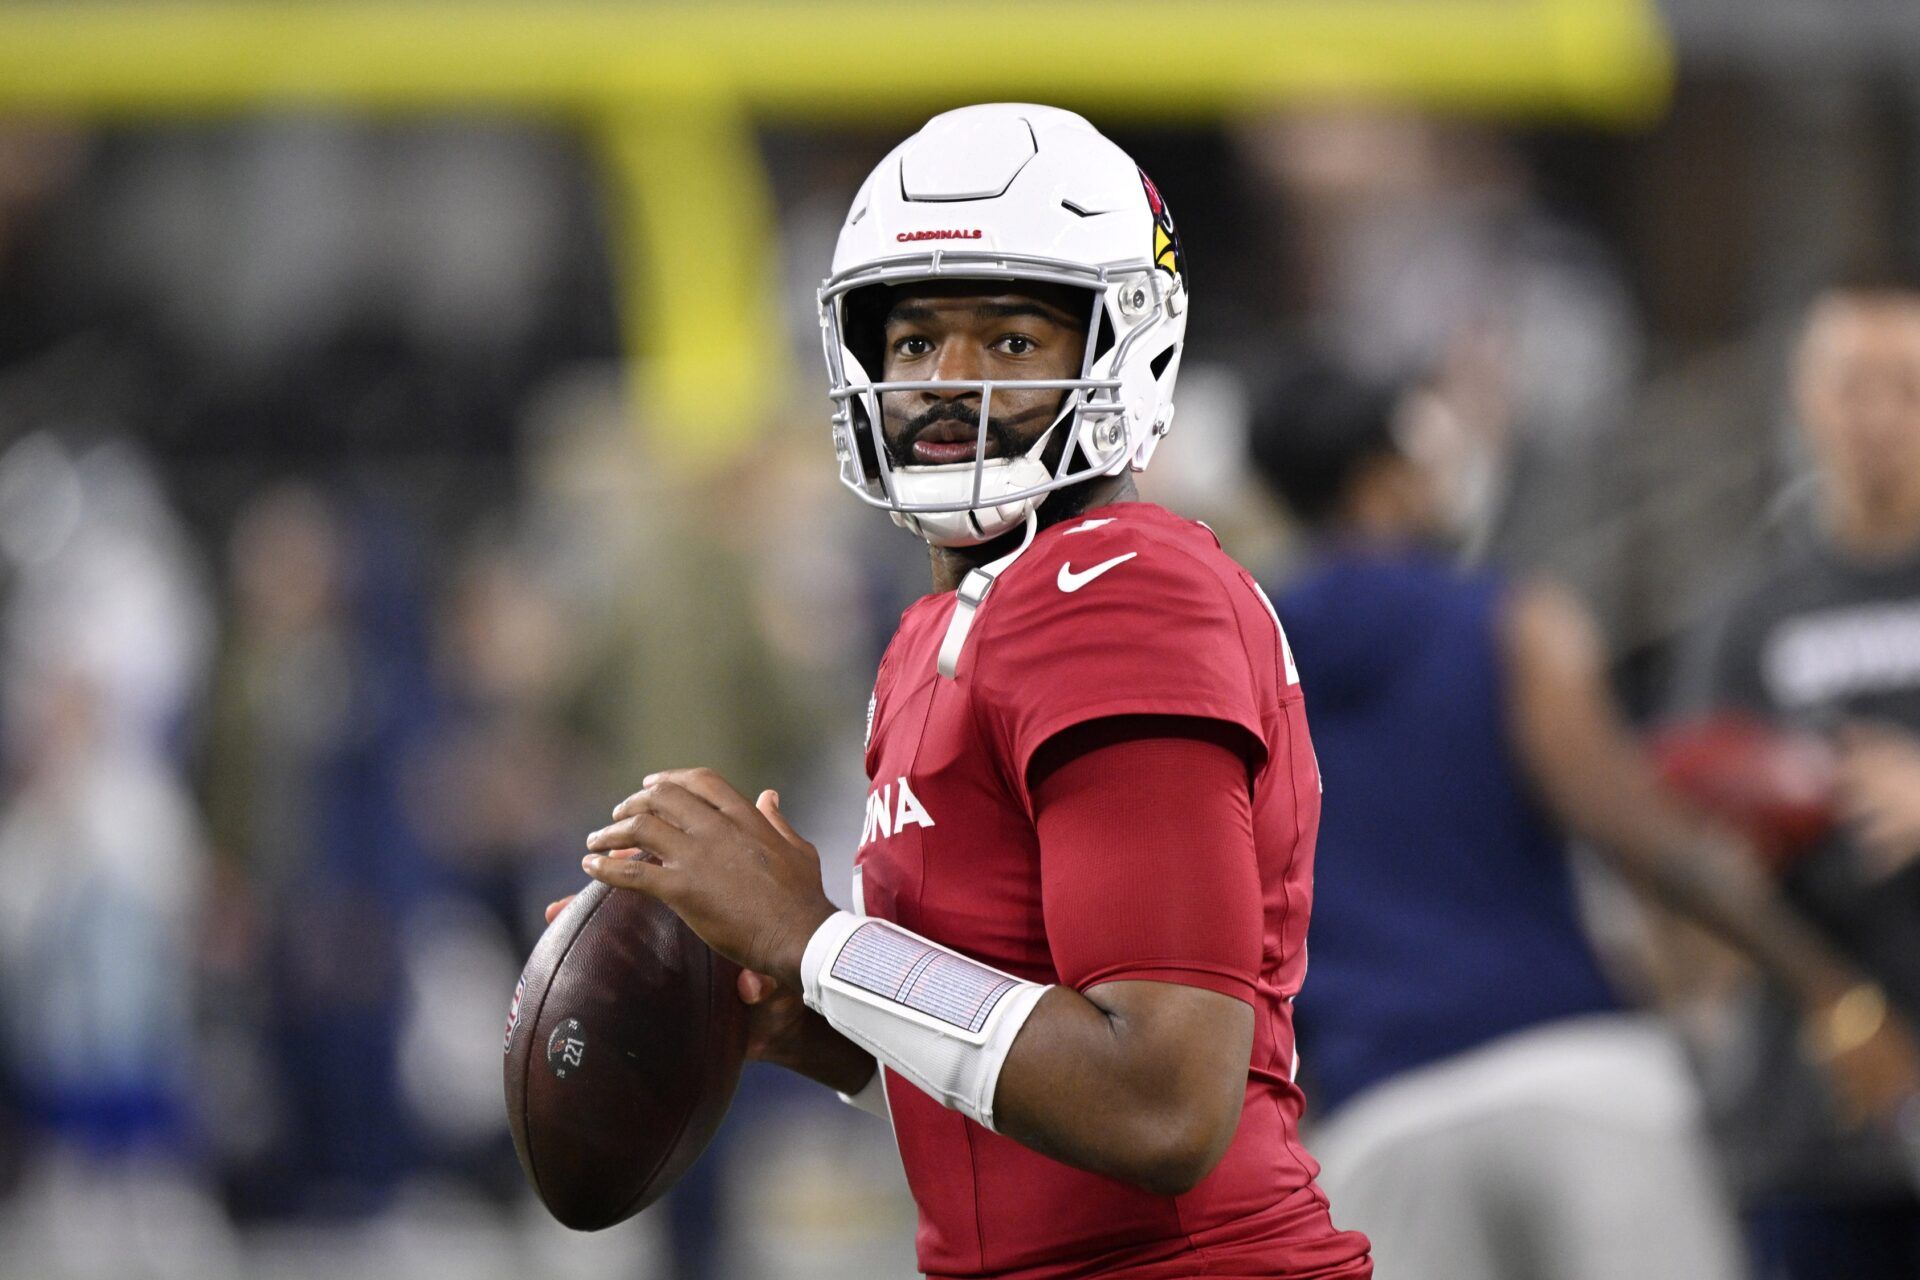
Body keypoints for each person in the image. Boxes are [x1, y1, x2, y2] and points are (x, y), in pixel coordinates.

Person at [556, 104, 1374, 1278]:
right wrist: (797, 1007)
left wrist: (819, 937)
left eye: (1008, 341)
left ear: (1123, 348)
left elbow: (1160, 1103)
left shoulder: (1114, 584)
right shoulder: (940, 630)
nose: (944, 383)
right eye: (912, 340)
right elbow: (1032, 1068)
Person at [1246, 355, 1920, 1280]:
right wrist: (1830, 992)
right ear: (1384, 474)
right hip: (1573, 1070)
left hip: (1379, 1114)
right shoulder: (1507, 616)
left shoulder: (1237, 669)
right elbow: (1647, 840)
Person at [1672, 264, 1920, 1280]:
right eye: (1850, 383)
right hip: (1814, 1109)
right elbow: (1679, 849)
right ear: (1804, 397)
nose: (1875, 416)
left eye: (1904, 385)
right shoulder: (1749, 614)